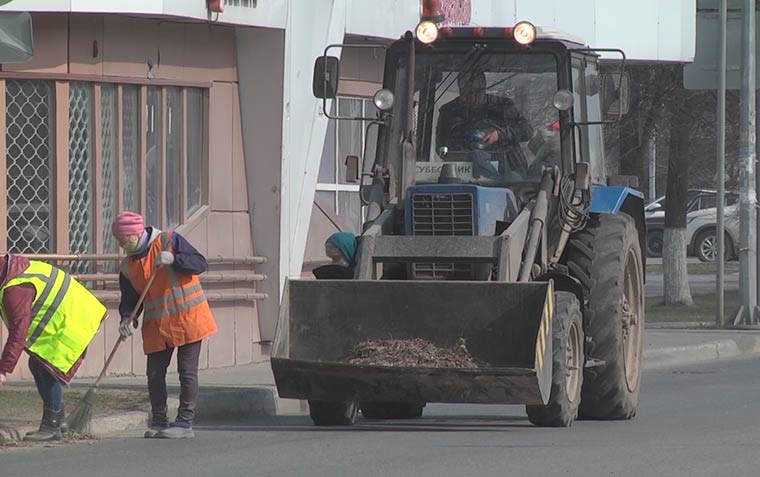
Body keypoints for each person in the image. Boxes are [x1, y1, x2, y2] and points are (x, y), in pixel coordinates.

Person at [112, 211, 217, 439]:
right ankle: (159, 420)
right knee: (154, 373)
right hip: (158, 325)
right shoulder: (127, 267)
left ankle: (184, 422)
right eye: (118, 241)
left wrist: (175, 260)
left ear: (137, 233)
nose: (121, 244)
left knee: (186, 372)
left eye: (124, 239)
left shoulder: (169, 240)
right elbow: (130, 300)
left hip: (188, 318)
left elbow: (199, 264)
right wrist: (126, 319)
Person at [0, 253, 107, 441]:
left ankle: (52, 425)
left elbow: (18, 332)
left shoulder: (15, 289)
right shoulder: (11, 272)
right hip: (68, 317)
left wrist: (3, 369)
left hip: (72, 321)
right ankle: (58, 418)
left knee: (46, 367)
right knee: (38, 365)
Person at [436, 68, 533, 181]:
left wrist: (499, 134)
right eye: (466, 92)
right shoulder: (449, 112)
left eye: (477, 92)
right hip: (461, 174)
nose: (472, 97)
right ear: (460, 90)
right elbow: (441, 147)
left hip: (509, 172)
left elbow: (527, 131)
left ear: (484, 87)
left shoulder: (503, 106)